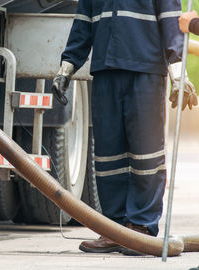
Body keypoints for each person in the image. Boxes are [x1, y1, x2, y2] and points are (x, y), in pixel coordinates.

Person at [52, 0, 197, 255]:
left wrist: (179, 76)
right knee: (107, 157)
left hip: (146, 72)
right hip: (105, 72)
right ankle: (113, 228)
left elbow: (173, 25)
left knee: (146, 154)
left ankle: (140, 228)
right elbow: (82, 25)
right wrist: (66, 68)